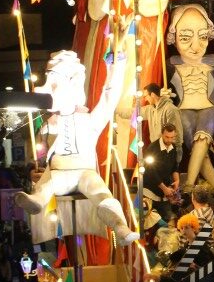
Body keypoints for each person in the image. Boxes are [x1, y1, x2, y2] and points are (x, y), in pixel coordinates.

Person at [15, 49, 139, 247]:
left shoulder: (90, 120)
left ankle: (120, 227)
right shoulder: (48, 126)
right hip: (57, 173)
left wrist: (116, 66)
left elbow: (110, 96)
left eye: (54, 83)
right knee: (46, 185)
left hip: (85, 173)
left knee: (101, 193)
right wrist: (33, 167)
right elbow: (37, 154)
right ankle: (37, 201)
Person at [162, 2, 214, 194]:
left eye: (202, 37)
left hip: (210, 107)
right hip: (183, 109)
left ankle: (189, 186)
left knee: (201, 139)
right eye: (185, 38)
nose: (196, 46)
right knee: (197, 149)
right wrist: (165, 94)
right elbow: (169, 90)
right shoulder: (170, 63)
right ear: (173, 37)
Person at [142, 123, 182, 221]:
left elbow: (175, 167)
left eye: (172, 137)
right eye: (167, 137)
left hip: (164, 194)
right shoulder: (152, 148)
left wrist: (177, 181)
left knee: (170, 220)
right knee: (148, 222)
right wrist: (164, 188)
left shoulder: (174, 148)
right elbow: (150, 172)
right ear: (161, 134)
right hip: (149, 193)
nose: (169, 140)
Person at [142, 82, 184, 167]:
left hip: (169, 151)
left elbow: (176, 133)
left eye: (146, 96)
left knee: (168, 178)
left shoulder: (170, 109)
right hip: (156, 151)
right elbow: (132, 112)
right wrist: (114, 110)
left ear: (152, 94)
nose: (145, 99)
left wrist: (172, 153)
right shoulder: (150, 109)